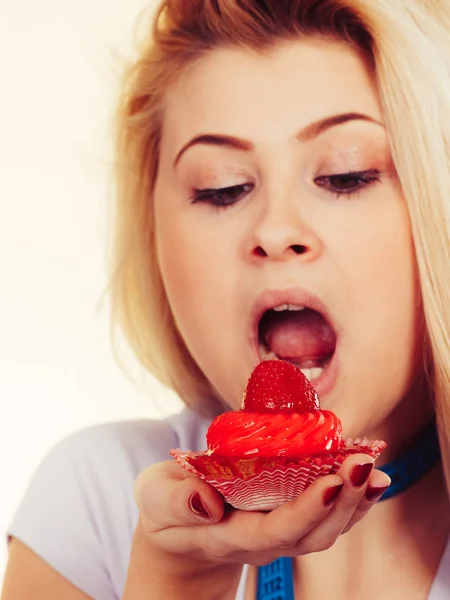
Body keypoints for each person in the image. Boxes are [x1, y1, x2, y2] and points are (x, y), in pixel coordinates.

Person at [2, 0, 450, 598]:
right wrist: (175, 584)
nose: (274, 229)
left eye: (346, 175)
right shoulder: (95, 502)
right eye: (223, 188)